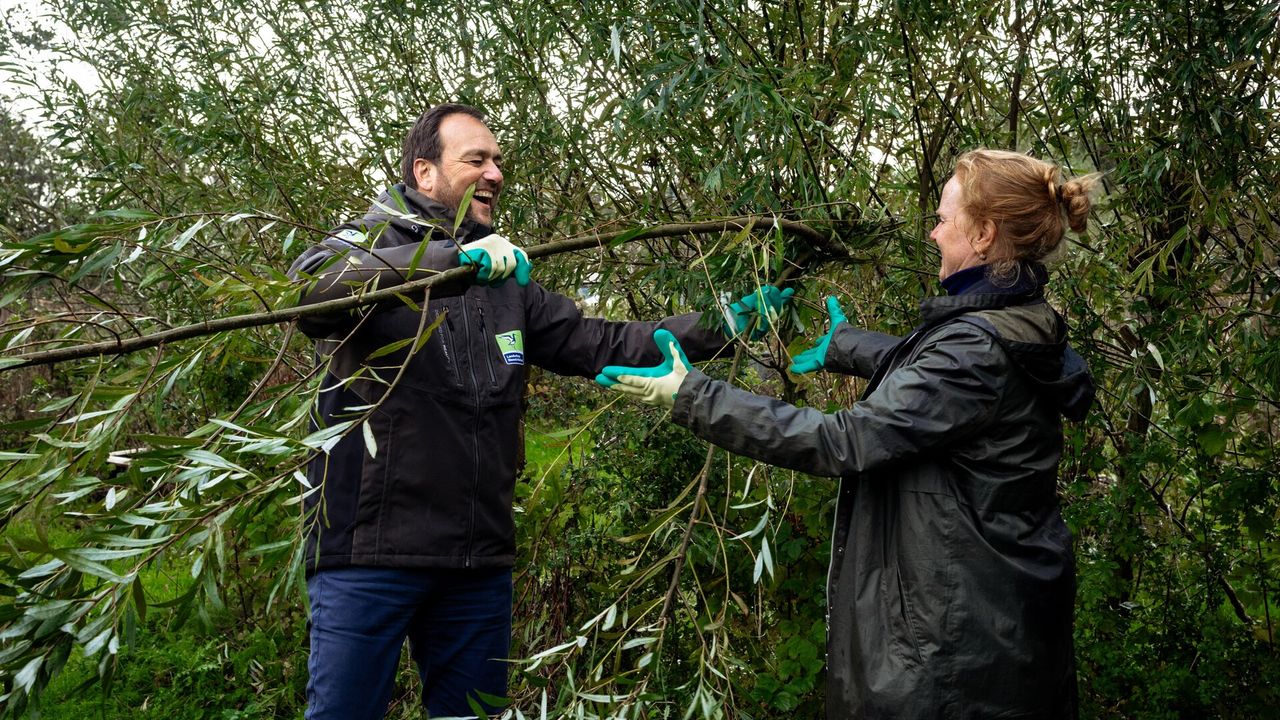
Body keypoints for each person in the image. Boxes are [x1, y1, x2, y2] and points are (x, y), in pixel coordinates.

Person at [287, 103, 792, 719]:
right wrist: (445, 265)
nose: (496, 173)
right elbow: (309, 293)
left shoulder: (507, 279)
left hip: (476, 560)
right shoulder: (362, 245)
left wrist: (722, 324)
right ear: (424, 172)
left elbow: (604, 343)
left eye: (498, 160)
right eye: (477, 159)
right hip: (366, 555)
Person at [597, 149, 1099, 719]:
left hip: (953, 648)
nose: (934, 233)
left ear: (983, 234)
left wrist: (694, 395)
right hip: (992, 620)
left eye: (943, 219)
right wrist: (849, 346)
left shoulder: (974, 347)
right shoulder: (1014, 322)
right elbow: (943, 389)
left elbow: (844, 441)